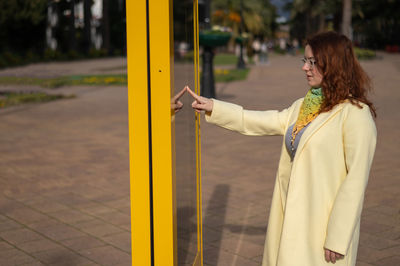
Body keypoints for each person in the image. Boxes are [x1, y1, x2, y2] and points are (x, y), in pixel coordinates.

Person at [187, 31, 377, 266]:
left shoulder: (356, 114)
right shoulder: (303, 106)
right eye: (304, 61)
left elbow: (356, 181)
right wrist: (213, 106)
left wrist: (338, 237)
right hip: (290, 220)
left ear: (333, 64)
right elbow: (256, 120)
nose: (305, 68)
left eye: (312, 62)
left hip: (322, 229)